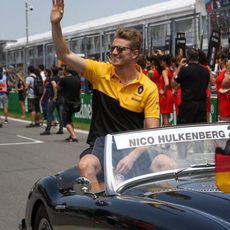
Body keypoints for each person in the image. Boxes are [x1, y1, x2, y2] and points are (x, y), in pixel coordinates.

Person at [51, 0, 159, 191]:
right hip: (103, 146)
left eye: (120, 49)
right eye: (112, 48)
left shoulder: (148, 87)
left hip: (133, 149)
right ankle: (102, 211)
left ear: (134, 54)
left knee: (166, 163)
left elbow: (151, 133)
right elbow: (64, 54)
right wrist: (56, 24)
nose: (114, 52)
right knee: (86, 165)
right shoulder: (100, 72)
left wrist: (132, 156)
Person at [172, 48, 210, 124]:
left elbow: (173, 83)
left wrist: (179, 66)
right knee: (200, 129)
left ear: (187, 58)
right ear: (198, 57)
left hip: (188, 106)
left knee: (185, 129)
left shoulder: (185, 70)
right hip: (201, 106)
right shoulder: (206, 71)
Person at [58, 65, 81, 141]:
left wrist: (55, 84)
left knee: (65, 121)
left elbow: (58, 87)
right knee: (69, 119)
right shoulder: (77, 79)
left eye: (63, 70)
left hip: (68, 103)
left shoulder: (64, 79)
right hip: (77, 103)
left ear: (66, 71)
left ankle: (74, 136)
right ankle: (72, 134)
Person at [40, 66, 64, 135]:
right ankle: (61, 129)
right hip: (61, 98)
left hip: (54, 98)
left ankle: (48, 130)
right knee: (60, 114)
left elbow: (54, 85)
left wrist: (55, 96)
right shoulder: (60, 78)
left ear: (52, 72)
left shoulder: (52, 79)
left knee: (49, 113)